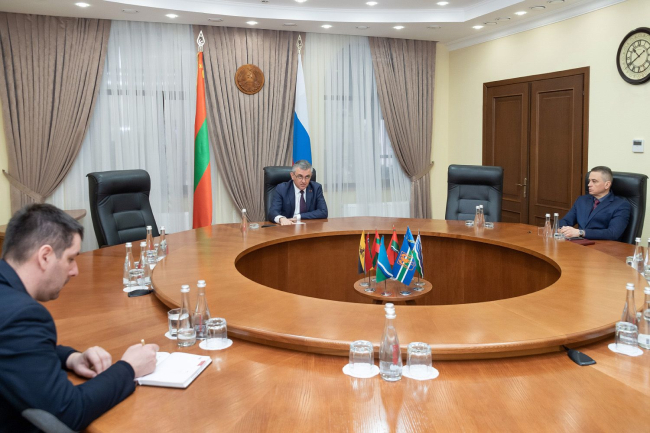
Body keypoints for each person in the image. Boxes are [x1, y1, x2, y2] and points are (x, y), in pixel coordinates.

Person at [0, 204, 159, 432]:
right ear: (45, 256)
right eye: (71, 259)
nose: (75, 271)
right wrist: (129, 368)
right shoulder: (22, 315)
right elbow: (68, 411)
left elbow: (15, 347)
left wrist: (70, 357)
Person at [558, 166, 631, 241]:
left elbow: (613, 233)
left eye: (594, 181)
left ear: (607, 185)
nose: (589, 184)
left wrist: (581, 232)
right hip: (579, 243)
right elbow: (565, 221)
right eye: (589, 181)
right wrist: (563, 229)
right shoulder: (582, 200)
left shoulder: (621, 205)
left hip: (603, 245)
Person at [268, 160, 328, 225]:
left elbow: (323, 212)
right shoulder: (282, 189)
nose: (304, 181)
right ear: (292, 175)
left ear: (311, 176)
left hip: (309, 227)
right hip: (287, 227)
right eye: (300, 176)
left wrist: (299, 217)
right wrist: (281, 219)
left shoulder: (316, 188)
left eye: (307, 177)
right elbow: (273, 212)